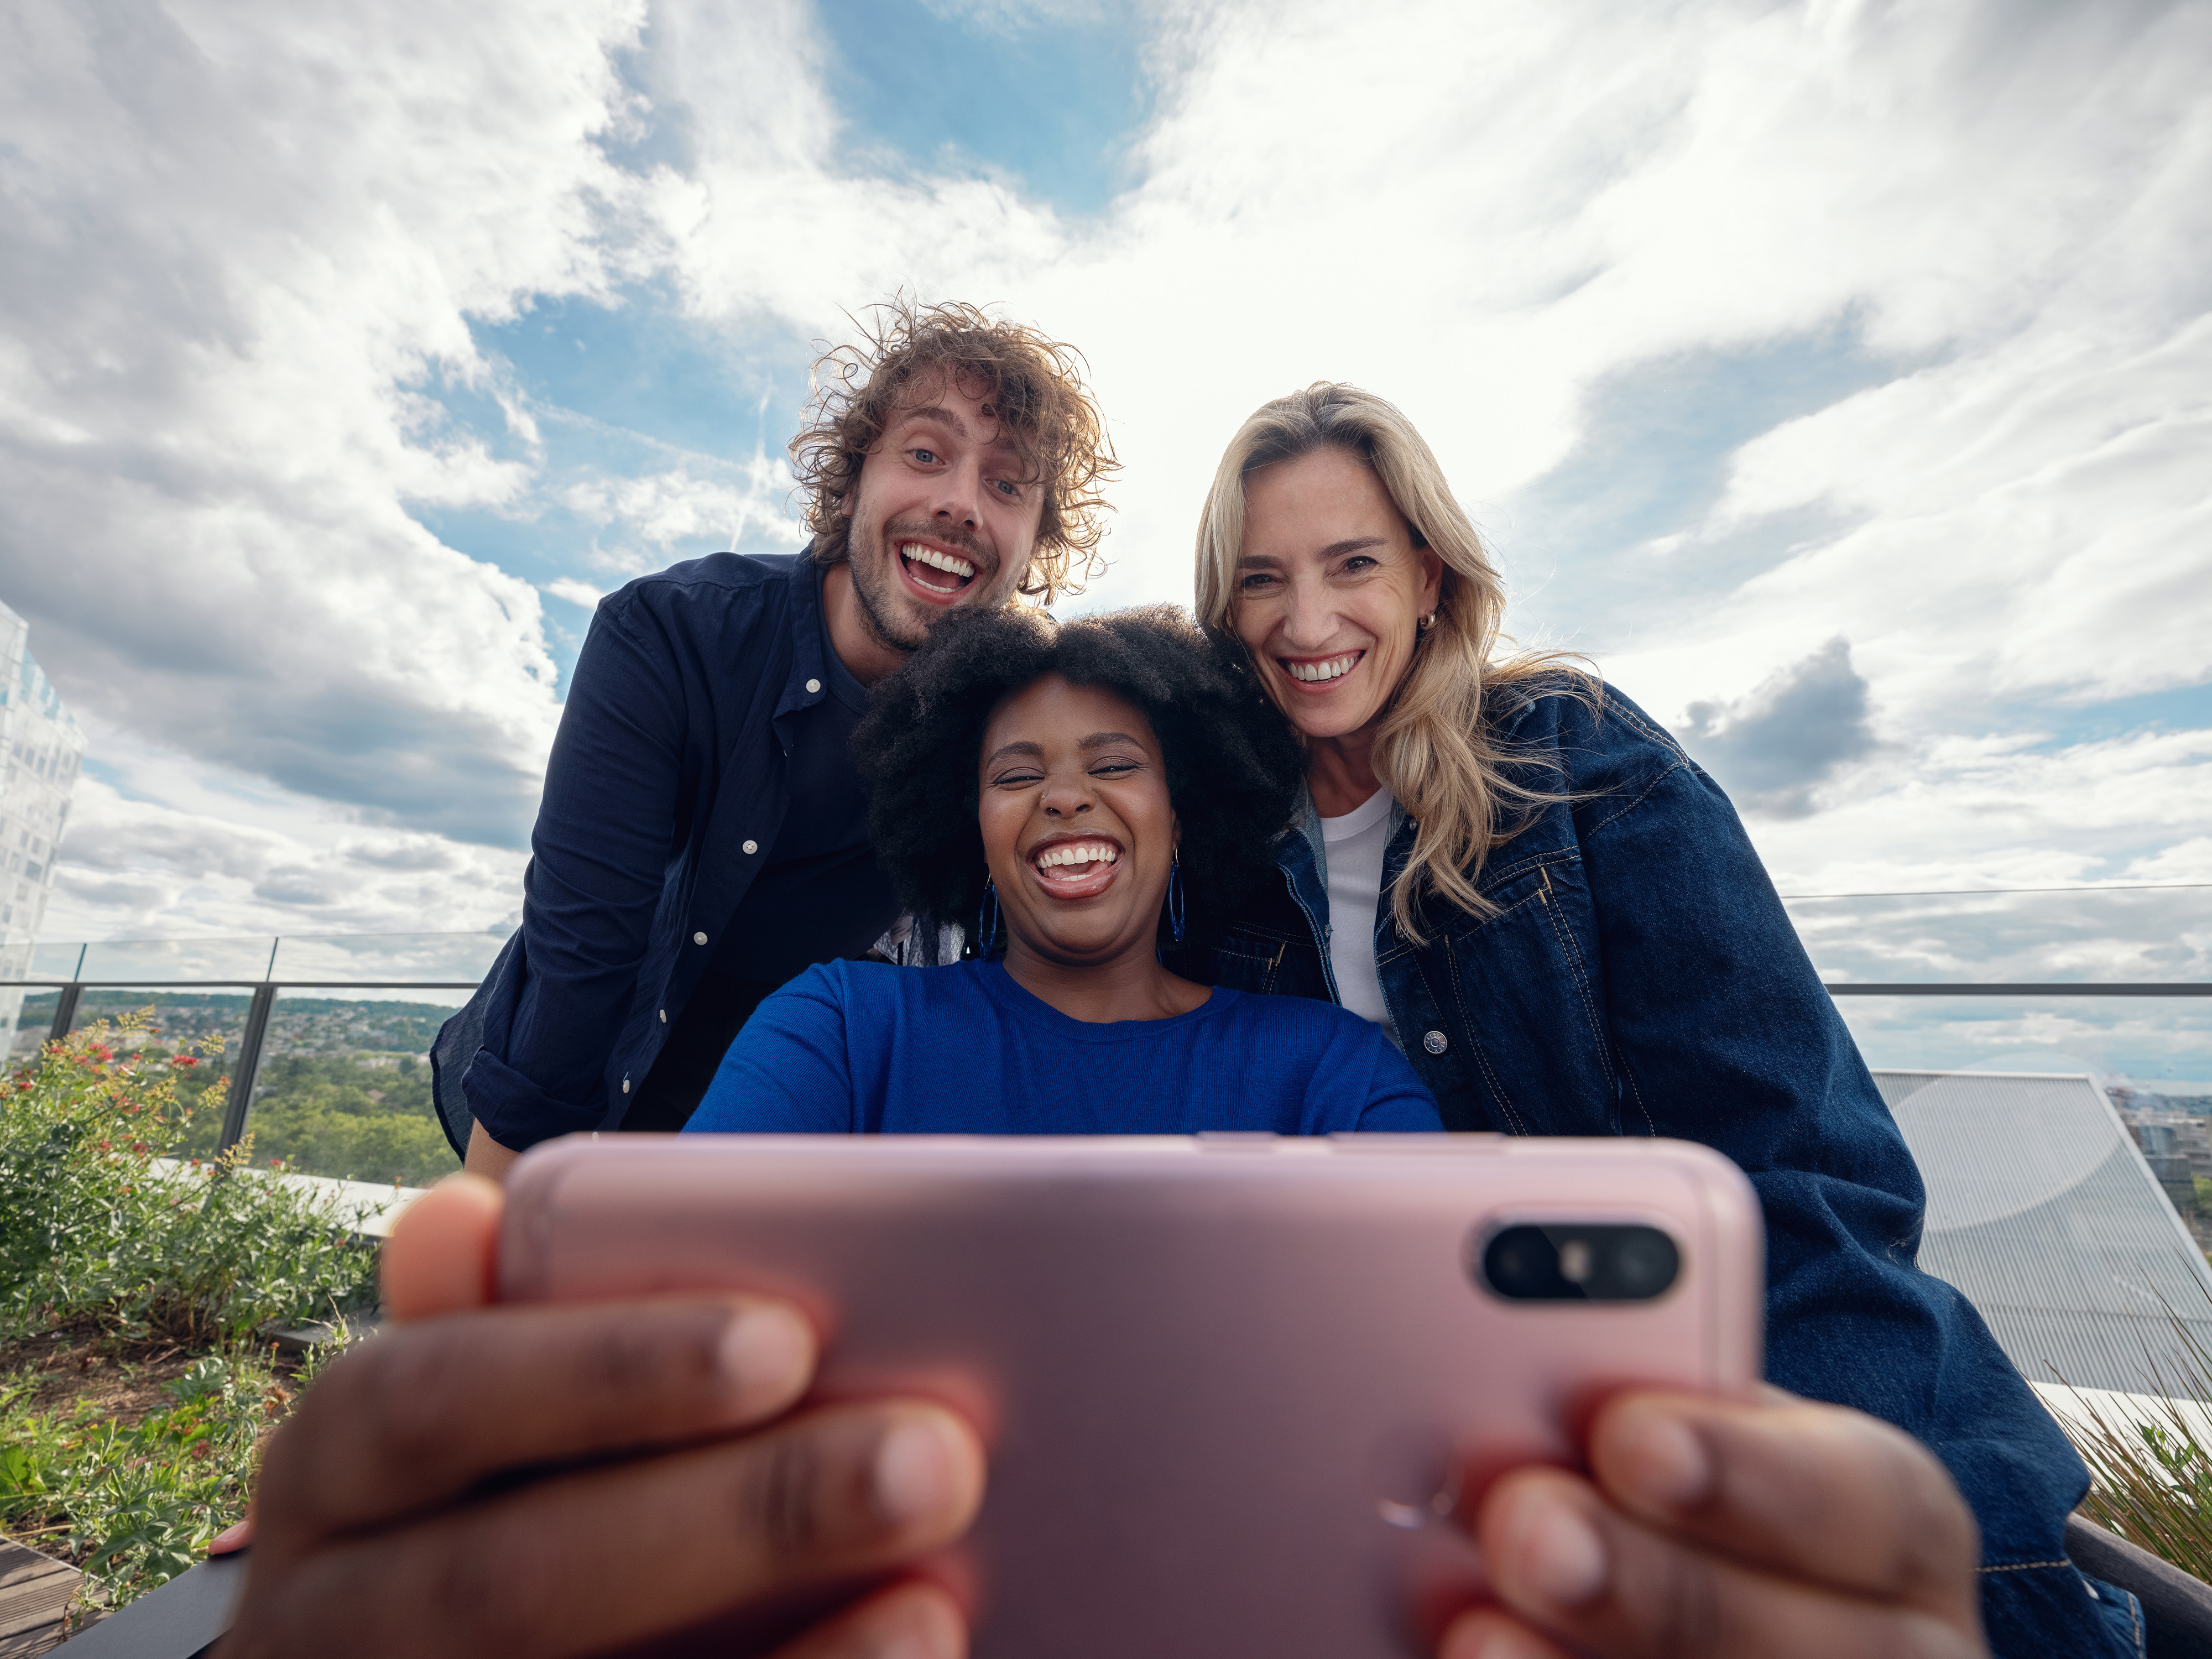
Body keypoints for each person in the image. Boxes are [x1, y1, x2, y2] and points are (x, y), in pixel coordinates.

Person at [1187, 382, 2141, 1656]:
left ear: (1426, 577)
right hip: (1417, 1423)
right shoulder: (1221, 852)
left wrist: (1799, 1511)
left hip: (1689, 1366)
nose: (1306, 622)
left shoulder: (1575, 763)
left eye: (1349, 564)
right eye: (1261, 581)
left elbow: (1800, 1176)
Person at [430, 300, 1119, 1181]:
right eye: (925, 453)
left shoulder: (1009, 718)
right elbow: (585, 957)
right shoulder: (671, 636)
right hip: (573, 1097)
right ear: (852, 479)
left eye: (1008, 484)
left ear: (1033, 545)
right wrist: (498, 1233)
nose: (958, 503)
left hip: (775, 1138)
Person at [685, 606, 1439, 1135]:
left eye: (1113, 764)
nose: (1067, 798)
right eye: (1015, 777)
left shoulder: (1332, 1073)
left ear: (1179, 817)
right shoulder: (842, 1030)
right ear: (970, 827)